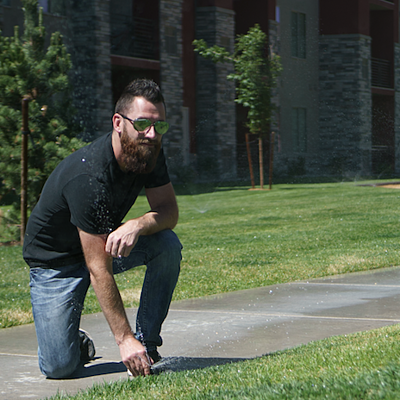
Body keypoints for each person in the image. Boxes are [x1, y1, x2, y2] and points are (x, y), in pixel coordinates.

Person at [23, 79, 182, 379]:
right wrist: (122, 339)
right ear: (118, 122)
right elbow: (99, 268)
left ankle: (145, 345)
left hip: (100, 242)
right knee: (59, 367)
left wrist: (139, 223)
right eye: (143, 123)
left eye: (159, 126)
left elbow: (168, 212)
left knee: (166, 245)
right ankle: (78, 341)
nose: (151, 134)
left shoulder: (150, 152)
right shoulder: (88, 175)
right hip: (55, 265)